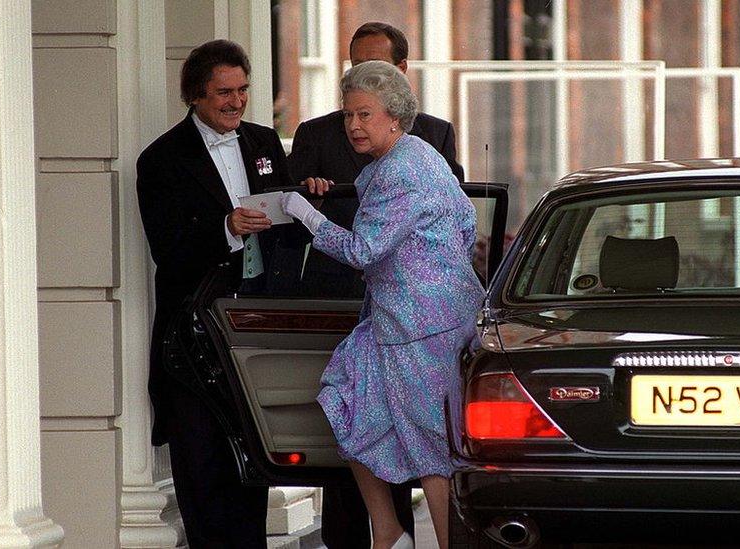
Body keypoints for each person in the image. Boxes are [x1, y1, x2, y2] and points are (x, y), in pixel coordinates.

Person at [282, 60, 484, 549]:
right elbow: (467, 224)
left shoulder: (400, 171)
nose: (353, 125)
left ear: (394, 116)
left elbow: (362, 251)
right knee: (346, 398)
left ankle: (444, 542)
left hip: (424, 327)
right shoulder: (411, 157)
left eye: (364, 115)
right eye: (348, 114)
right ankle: (389, 534)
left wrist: (306, 215)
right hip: (402, 319)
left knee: (434, 445)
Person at [136, 39, 297, 547]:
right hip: (195, 333)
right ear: (195, 97)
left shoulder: (265, 142)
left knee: (251, 456)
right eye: (224, 93)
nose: (236, 101)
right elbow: (168, 248)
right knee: (201, 462)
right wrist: (227, 227)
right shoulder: (161, 159)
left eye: (243, 90)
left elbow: (287, 222)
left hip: (253, 324)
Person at [288, 22, 465, 304]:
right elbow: (287, 212)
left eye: (375, 66)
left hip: (411, 298)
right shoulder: (316, 133)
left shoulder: (433, 137)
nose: (363, 76)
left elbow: (459, 220)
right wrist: (310, 199)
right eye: (356, 66)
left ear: (402, 68)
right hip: (333, 287)